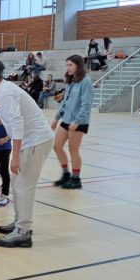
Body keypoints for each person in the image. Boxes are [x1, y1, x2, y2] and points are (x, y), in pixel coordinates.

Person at [0, 58, 54, 248]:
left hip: (35, 140)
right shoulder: (3, 90)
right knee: (16, 182)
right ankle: (19, 222)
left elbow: (17, 122)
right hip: (30, 140)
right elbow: (7, 117)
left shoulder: (6, 92)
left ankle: (23, 231)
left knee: (24, 185)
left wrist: (15, 156)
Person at [52, 55, 94, 190]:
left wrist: (77, 121)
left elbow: (86, 105)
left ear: (78, 66)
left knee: (73, 149)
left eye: (71, 65)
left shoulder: (86, 82)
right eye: (67, 65)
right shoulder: (71, 81)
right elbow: (65, 102)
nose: (68, 68)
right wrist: (57, 117)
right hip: (66, 119)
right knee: (57, 146)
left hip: (78, 122)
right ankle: (66, 174)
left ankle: (76, 179)